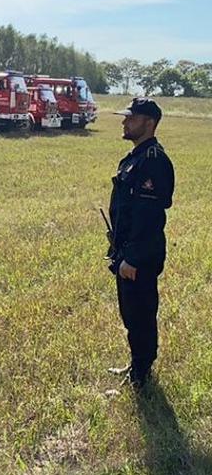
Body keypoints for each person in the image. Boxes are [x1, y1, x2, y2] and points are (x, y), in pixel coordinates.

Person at [105, 98, 173, 391]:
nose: (124, 122)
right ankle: (137, 363)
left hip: (139, 256)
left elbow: (149, 219)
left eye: (131, 118)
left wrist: (132, 258)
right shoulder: (136, 157)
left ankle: (141, 374)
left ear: (149, 123)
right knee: (131, 314)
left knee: (141, 314)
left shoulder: (153, 162)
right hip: (126, 251)